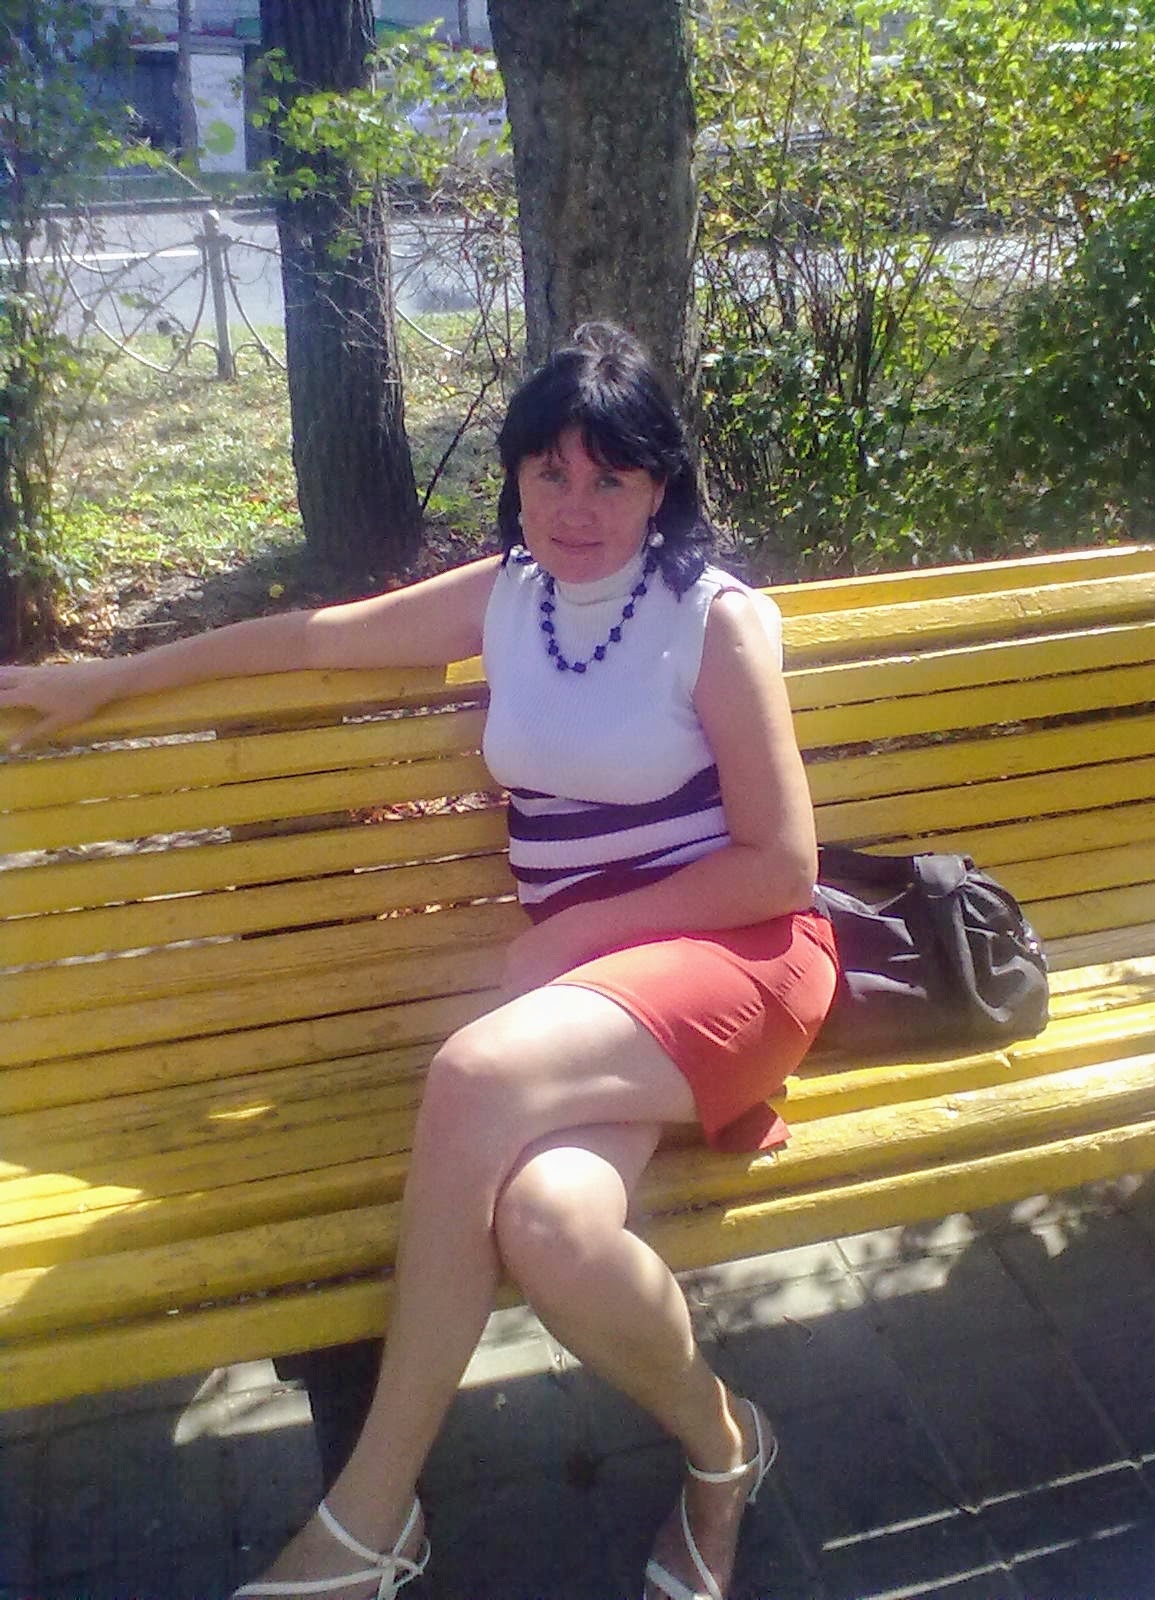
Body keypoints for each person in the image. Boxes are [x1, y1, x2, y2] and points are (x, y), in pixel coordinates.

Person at [0, 324, 838, 1600]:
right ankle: (730, 1448)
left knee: (471, 1075)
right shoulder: (509, 596)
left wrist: (575, 932)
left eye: (609, 477)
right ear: (517, 477)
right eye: (549, 472)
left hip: (738, 961)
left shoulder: (710, 621)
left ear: (659, 485)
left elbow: (781, 866)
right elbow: (314, 639)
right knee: (550, 1226)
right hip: (592, 1007)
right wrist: (114, 677)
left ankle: (369, 1516)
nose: (575, 505)